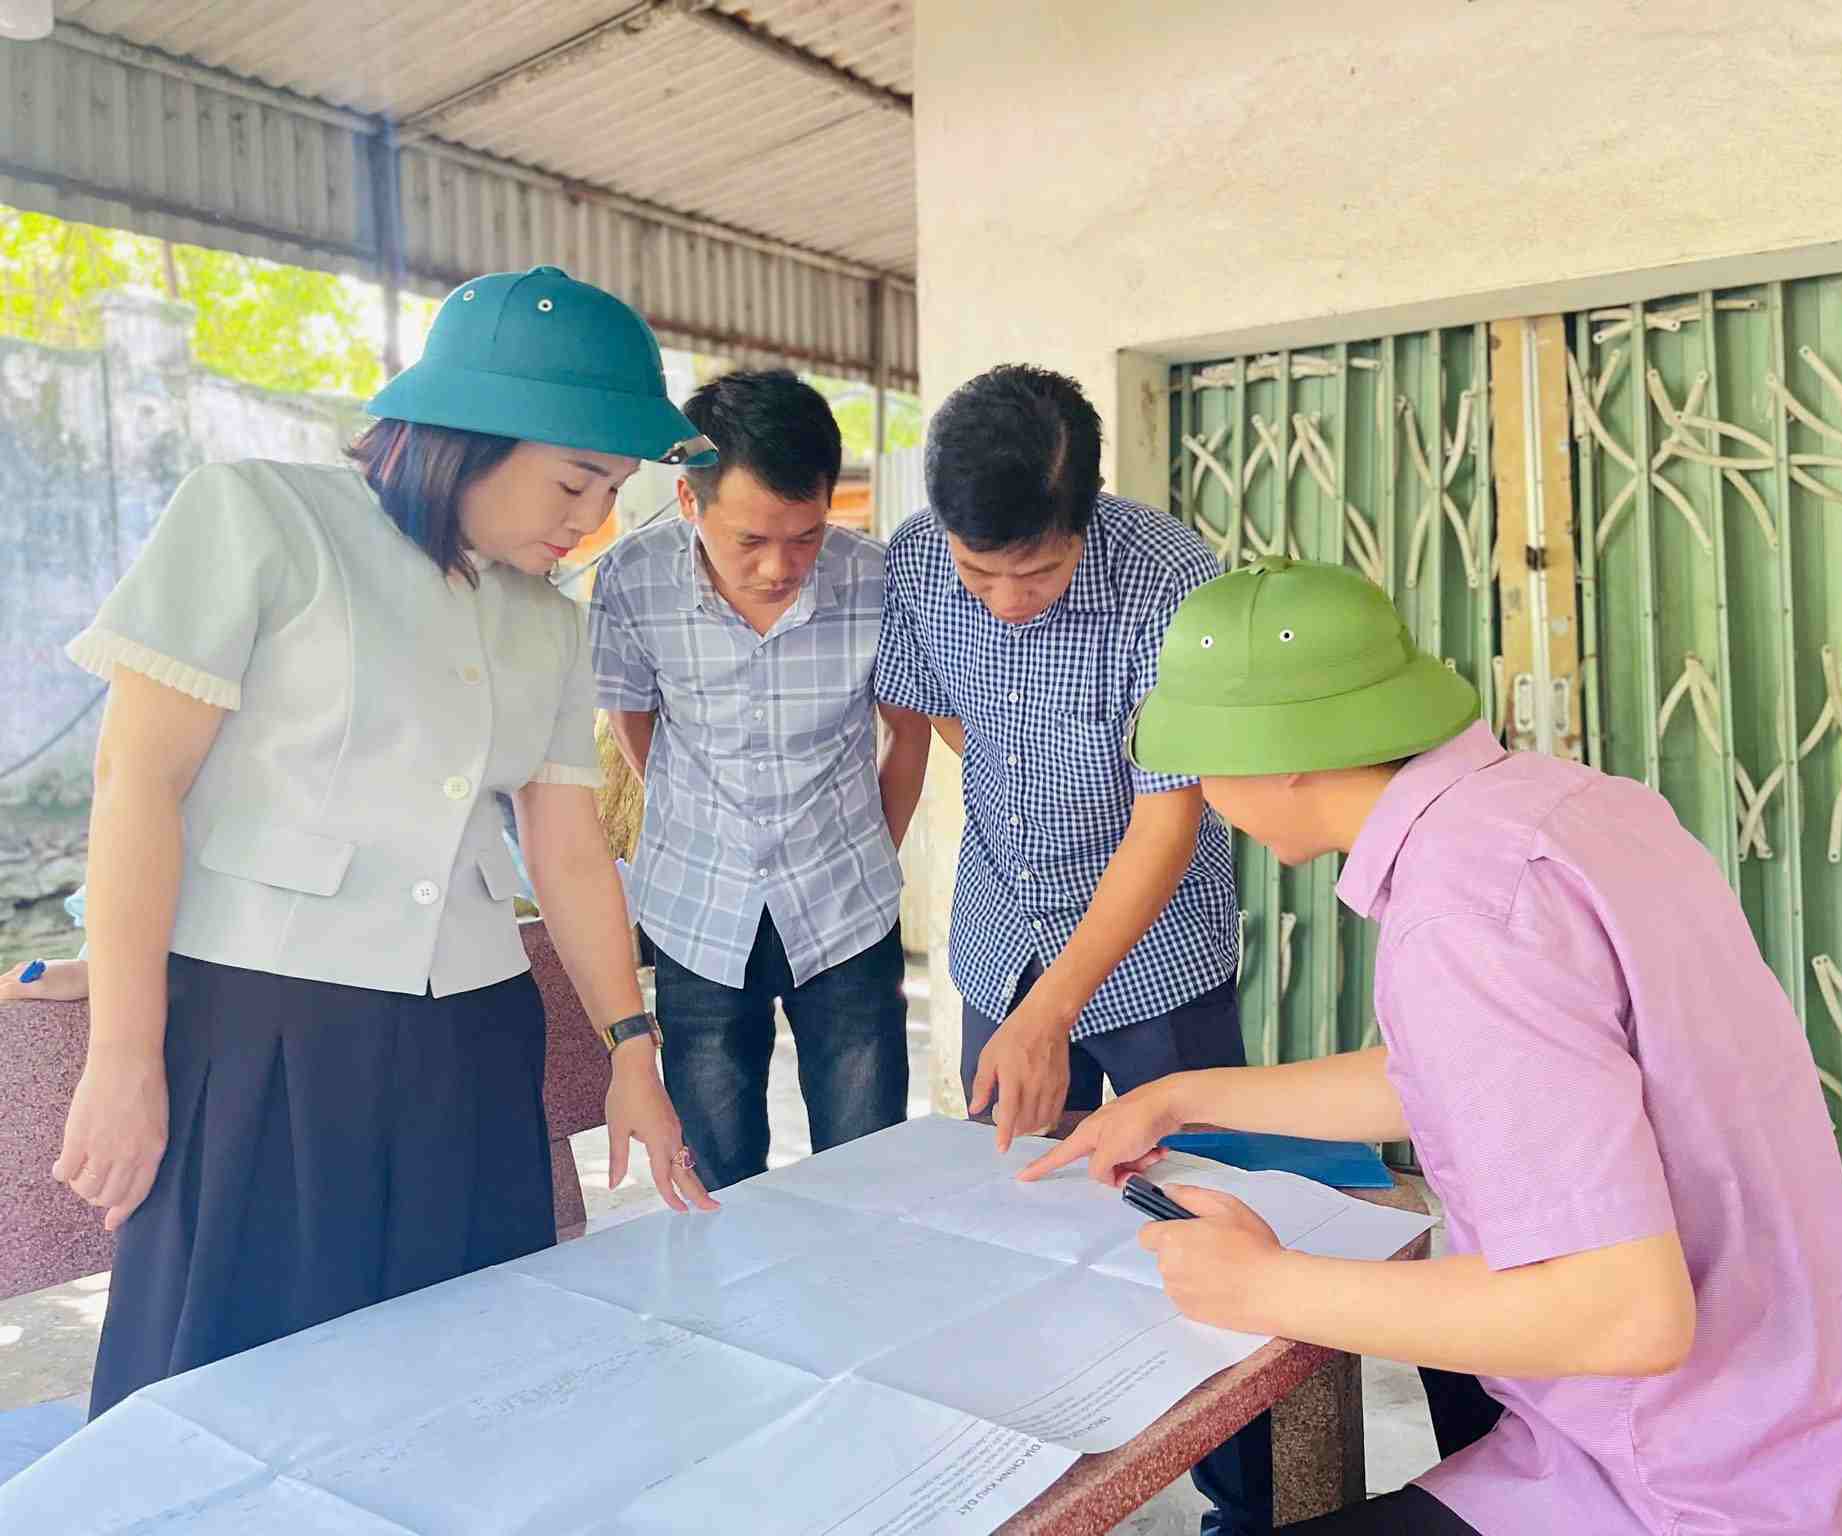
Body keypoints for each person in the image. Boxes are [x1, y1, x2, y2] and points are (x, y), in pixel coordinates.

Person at [1025, 557, 1842, 1536]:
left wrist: (1264, 1285)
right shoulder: (1567, 810)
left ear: (1280, 754)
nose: (1197, 793)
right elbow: (1481, 1077)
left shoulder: (1464, 913)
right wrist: (1180, 1097)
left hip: (1697, 1482)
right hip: (1832, 1410)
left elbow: (1621, 1313)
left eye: (1200, 761)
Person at [54, 264, 721, 1420]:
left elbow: (564, 849)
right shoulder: (261, 516)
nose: (591, 520)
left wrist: (629, 1050)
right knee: (230, 1383)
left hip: (468, 1034)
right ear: (470, 434)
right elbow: (136, 783)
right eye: (575, 482)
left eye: (611, 490)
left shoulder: (546, 622)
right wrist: (125, 1056)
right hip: (264, 1031)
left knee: (458, 1380)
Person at [872, 365, 1265, 1534]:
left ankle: (1244, 1509)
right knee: (1013, 1232)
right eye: (975, 571)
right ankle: (1027, 1498)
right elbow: (935, 712)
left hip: (1157, 972)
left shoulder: (1172, 583)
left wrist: (1054, 1010)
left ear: (1083, 520)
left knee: (1199, 1225)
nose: (999, 600)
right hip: (1001, 937)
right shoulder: (908, 560)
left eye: (1033, 572)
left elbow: (1168, 813)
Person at [591, 369, 929, 1191]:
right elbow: (634, 724)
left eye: (806, 535)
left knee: (867, 1167)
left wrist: (864, 847)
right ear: (688, 503)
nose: (781, 566)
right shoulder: (632, 581)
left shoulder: (877, 579)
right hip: (698, 909)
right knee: (719, 1172)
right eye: (750, 539)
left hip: (846, 908)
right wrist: (709, 816)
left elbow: (907, 735)